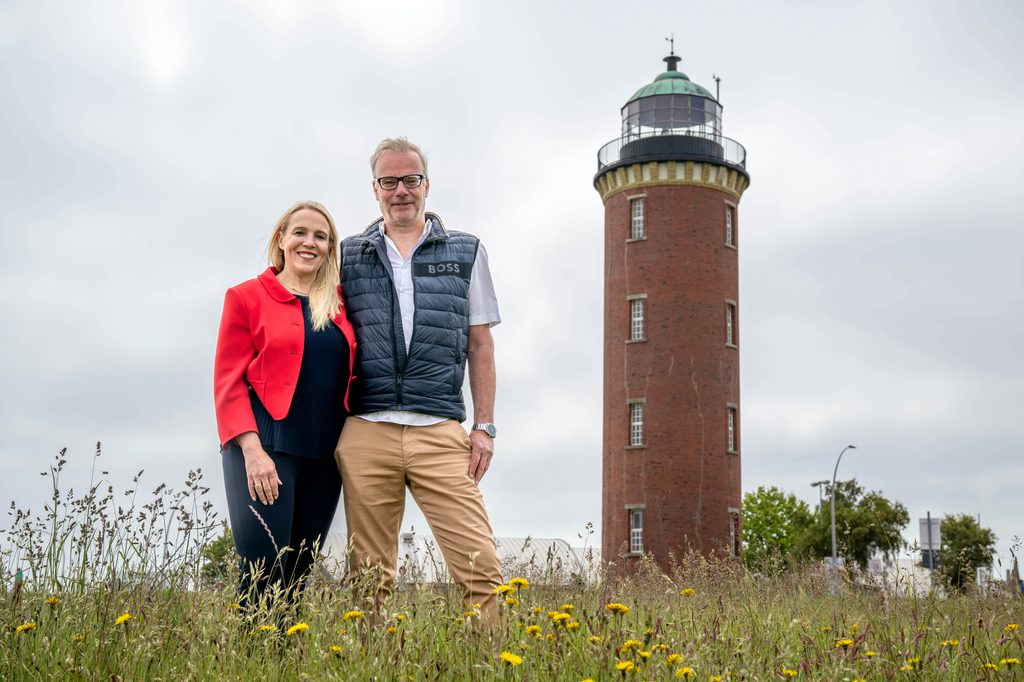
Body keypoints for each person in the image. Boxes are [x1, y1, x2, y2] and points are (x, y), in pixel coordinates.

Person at [337, 137, 503, 625]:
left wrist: (485, 427)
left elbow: (481, 346)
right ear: (375, 189)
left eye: (410, 180)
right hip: (367, 429)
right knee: (368, 579)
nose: (401, 190)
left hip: (440, 430)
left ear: (427, 185)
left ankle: (492, 666)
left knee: (481, 568)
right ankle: (369, 666)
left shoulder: (466, 251)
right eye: (389, 181)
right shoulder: (347, 256)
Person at [214, 200, 356, 609]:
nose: (309, 243)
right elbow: (227, 381)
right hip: (266, 450)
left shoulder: (342, 304)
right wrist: (253, 452)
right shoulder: (245, 297)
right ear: (281, 239)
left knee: (296, 580)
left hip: (325, 460)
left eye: (321, 236)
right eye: (300, 233)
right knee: (262, 574)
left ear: (330, 247)